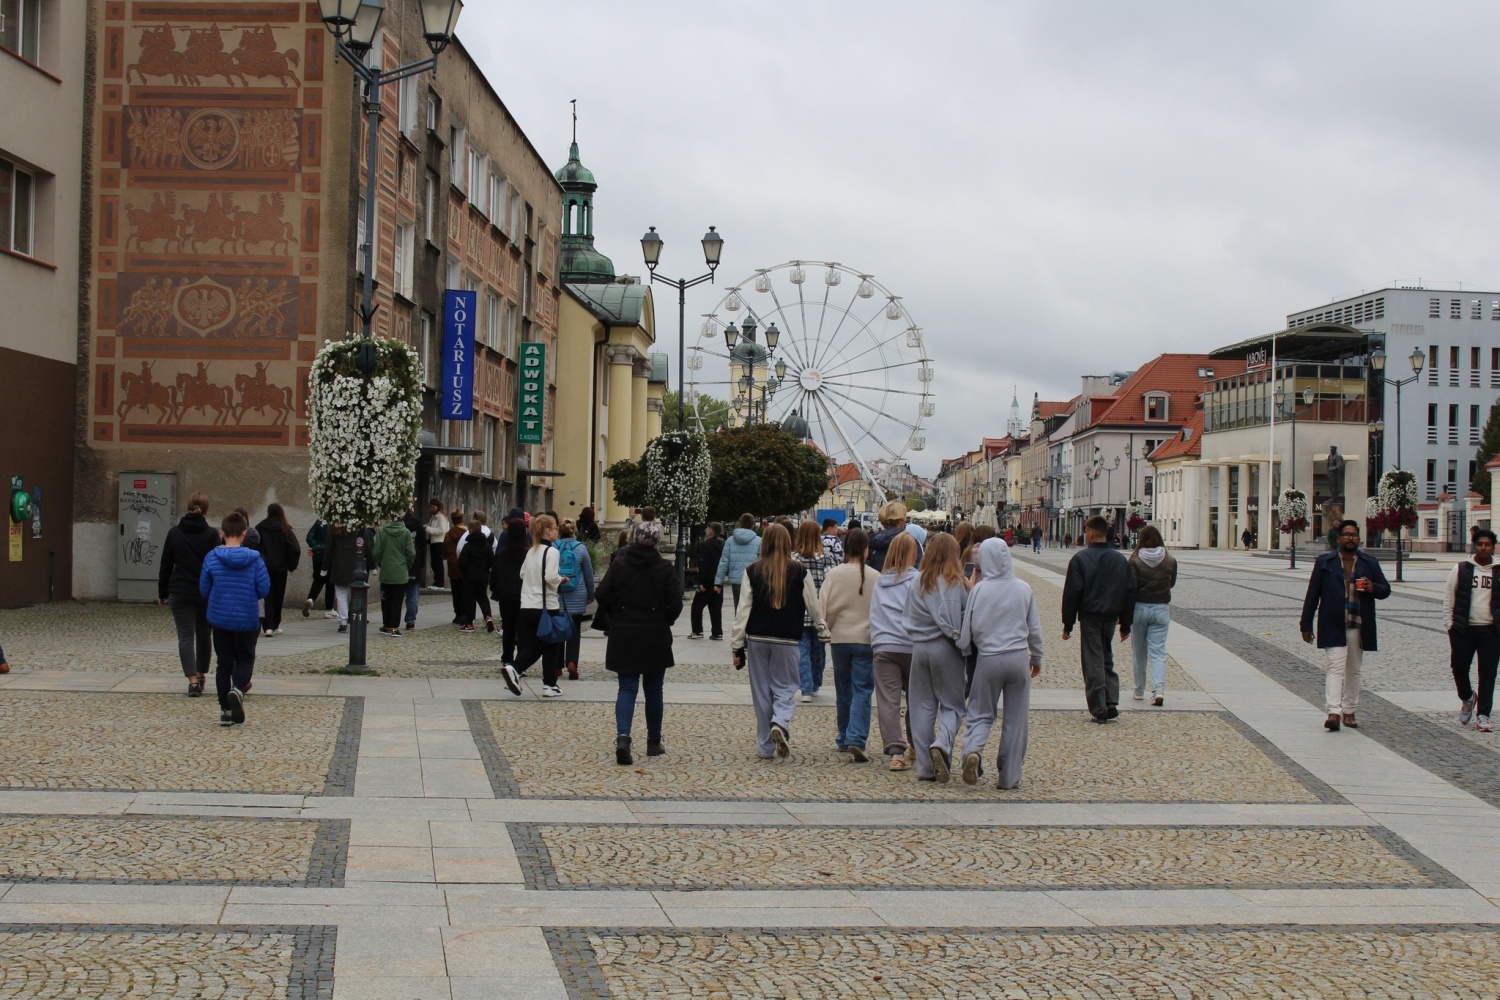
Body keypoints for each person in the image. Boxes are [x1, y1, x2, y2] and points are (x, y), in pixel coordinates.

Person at [730, 523, 828, 759]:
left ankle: (765, 746)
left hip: (758, 637)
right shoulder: (799, 571)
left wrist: (737, 643)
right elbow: (813, 603)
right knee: (786, 686)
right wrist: (820, 625)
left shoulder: (752, 571)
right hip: (787, 637)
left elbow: (743, 610)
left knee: (761, 692)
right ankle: (781, 720)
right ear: (789, 543)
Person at [596, 519, 682, 764]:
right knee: (654, 689)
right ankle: (653, 741)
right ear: (657, 541)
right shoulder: (664, 567)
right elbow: (675, 603)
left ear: (634, 538)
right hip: (655, 631)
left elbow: (601, 593)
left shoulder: (620, 564)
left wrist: (616, 613)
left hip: (624, 631)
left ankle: (623, 737)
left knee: (627, 687)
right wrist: (665, 619)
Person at [958, 538, 1042, 789]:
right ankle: (1009, 776)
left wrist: (964, 649)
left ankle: (973, 749)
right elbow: (1034, 629)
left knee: (981, 712)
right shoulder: (1024, 588)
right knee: (1016, 719)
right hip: (1018, 658)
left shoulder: (980, 590)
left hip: (988, 658)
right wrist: (1037, 657)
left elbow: (967, 629)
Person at [1300, 519, 1391, 732]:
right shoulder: (1325, 562)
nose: (1350, 538)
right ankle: (1334, 712)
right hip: (1333, 622)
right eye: (1346, 534)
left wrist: (1372, 587)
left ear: (1359, 538)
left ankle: (1349, 710)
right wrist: (1306, 624)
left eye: (1354, 535)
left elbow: (1385, 589)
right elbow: (1312, 595)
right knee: (1335, 666)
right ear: (1339, 538)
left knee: (1353, 669)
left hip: (1359, 624)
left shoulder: (1369, 563)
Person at [905, 532, 969, 783]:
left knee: (921, 706)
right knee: (952, 704)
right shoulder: (955, 583)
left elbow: (907, 614)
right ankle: (942, 743)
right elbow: (963, 620)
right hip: (946, 648)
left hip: (919, 648)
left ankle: (926, 768)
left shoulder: (917, 580)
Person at [199, 510, 270, 727]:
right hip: (246, 618)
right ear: (244, 532)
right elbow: (263, 589)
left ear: (222, 532)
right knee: (245, 658)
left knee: (224, 664)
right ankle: (238, 689)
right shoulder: (255, 559)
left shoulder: (212, 557)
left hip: (220, 618)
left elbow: (204, 589)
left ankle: (225, 711)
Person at [1061, 515, 1135, 724]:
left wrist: (1068, 624)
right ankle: (1110, 700)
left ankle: (1099, 707)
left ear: (1091, 533)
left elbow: (1072, 593)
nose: (1085, 535)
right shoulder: (1120, 560)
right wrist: (1126, 623)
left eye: (1086, 532)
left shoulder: (1080, 559)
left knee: (1093, 659)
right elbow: (1129, 591)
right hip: (1111, 616)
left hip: (1090, 615)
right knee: (1106, 656)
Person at [820, 527, 880, 761]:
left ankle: (844, 736)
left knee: (843, 690)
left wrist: (828, 626)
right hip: (866, 639)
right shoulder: (875, 576)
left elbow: (823, 605)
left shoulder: (834, 574)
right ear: (866, 549)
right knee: (862, 690)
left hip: (840, 639)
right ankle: (857, 737)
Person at [157, 491, 221, 696]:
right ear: (206, 510)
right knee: (204, 634)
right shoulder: (212, 535)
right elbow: (218, 566)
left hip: (180, 590)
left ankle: (192, 681)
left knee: (185, 636)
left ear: (187, 507)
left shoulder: (174, 533)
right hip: (205, 592)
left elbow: (166, 565)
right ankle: (201, 674)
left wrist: (162, 592)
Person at [870, 532, 920, 769]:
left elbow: (874, 612)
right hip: (912, 646)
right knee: (917, 699)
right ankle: (917, 744)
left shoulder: (879, 582)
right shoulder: (918, 580)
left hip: (884, 645)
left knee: (888, 701)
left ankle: (896, 752)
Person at [509, 514, 569, 698]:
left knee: (539, 644)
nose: (557, 531)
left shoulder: (531, 551)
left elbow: (522, 574)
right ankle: (516, 668)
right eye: (555, 528)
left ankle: (549, 683)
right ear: (548, 531)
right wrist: (562, 579)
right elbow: (550, 577)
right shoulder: (552, 552)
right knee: (548, 644)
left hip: (527, 605)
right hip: (545, 606)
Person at [1445, 527, 1499, 732]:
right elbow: (1449, 598)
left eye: (1488, 545)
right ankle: (1467, 697)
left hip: (1491, 631)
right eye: (1480, 544)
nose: (1483, 548)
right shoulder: (1461, 569)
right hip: (1463, 629)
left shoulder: (1498, 570)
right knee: (1458, 667)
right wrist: (1450, 625)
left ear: (1493, 547)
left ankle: (1483, 714)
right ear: (1474, 546)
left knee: (1488, 673)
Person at [1128, 525, 1177, 706]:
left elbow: (1131, 587)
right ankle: (1158, 690)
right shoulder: (1170, 560)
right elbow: (1171, 583)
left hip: (1139, 609)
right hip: (1161, 608)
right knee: (1158, 652)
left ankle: (1138, 690)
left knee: (1139, 653)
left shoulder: (1134, 560)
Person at [792, 520, 838, 702]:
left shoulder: (793, 559)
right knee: (818, 652)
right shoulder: (825, 559)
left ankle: (806, 688)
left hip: (798, 612)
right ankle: (816, 683)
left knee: (801, 651)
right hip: (819, 612)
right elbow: (831, 584)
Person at [556, 519, 596, 680]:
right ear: (575, 531)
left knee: (558, 630)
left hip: (557, 596)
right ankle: (572, 662)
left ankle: (556, 665)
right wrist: (591, 595)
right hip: (577, 595)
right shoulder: (581, 548)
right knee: (575, 631)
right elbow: (588, 575)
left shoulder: (553, 547)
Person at [253, 504, 297, 637]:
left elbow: (255, 545)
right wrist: (291, 564)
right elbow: (295, 548)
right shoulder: (285, 528)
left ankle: (268, 626)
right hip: (281, 568)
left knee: (267, 596)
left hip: (264, 567)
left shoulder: (260, 527)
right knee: (278, 596)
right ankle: (275, 624)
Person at [490, 509, 529, 658]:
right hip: (523, 595)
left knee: (508, 627)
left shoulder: (502, 554)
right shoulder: (527, 553)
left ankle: (507, 656)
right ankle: (521, 658)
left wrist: (495, 587)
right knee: (522, 628)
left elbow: (495, 573)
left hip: (506, 595)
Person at [372, 515, 415, 637]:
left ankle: (386, 625)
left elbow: (376, 552)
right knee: (397, 601)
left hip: (386, 570)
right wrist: (407, 565)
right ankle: (394, 627)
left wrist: (381, 563)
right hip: (400, 571)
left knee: (385, 600)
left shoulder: (382, 532)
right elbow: (411, 553)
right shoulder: (406, 532)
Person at [715, 513, 762, 611]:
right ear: (753, 525)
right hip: (754, 579)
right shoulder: (759, 541)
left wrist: (718, 583)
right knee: (754, 609)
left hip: (737, 580)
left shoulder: (730, 541)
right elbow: (762, 562)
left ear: (740, 524)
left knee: (739, 609)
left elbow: (724, 562)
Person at [456, 513, 494, 633]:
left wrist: (464, 572)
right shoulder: (486, 545)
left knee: (470, 599)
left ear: (471, 530)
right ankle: (488, 617)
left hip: (469, 577)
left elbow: (462, 562)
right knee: (483, 597)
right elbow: (491, 561)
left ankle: (469, 623)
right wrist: (486, 570)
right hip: (483, 576)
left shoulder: (468, 546)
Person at [689, 522, 725, 640]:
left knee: (697, 606)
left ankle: (697, 630)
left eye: (707, 529)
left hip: (707, 580)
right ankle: (717, 632)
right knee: (715, 607)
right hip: (718, 580)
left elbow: (704, 564)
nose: (705, 530)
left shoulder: (706, 545)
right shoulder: (722, 544)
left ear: (710, 531)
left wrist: (700, 582)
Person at [868, 500, 922, 572]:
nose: (905, 520)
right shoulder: (911, 542)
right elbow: (918, 567)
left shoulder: (872, 541)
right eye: (904, 517)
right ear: (900, 520)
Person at [303, 518, 334, 617]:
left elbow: (309, 536)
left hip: (318, 557)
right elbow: (331, 544)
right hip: (330, 558)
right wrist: (318, 548)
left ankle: (310, 599)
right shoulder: (335, 523)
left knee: (317, 580)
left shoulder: (319, 521)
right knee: (330, 584)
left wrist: (315, 547)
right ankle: (329, 609)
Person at [443, 510, 466, 623]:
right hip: (464, 565)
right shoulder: (466, 534)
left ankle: (458, 614)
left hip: (452, 565)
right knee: (465, 591)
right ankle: (464, 614)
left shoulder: (448, 534)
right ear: (463, 519)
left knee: (455, 591)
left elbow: (444, 550)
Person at [401, 510, 423, 630]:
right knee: (413, 593)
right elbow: (422, 546)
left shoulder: (401, 527)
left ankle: (392, 620)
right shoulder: (419, 526)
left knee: (397, 594)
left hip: (400, 562)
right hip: (415, 562)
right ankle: (410, 620)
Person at [424, 500, 450, 590]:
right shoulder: (433, 517)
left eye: (433, 507)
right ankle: (436, 582)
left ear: (438, 507)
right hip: (434, 542)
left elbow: (442, 530)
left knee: (438, 563)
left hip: (439, 542)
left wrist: (428, 529)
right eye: (431, 507)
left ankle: (440, 583)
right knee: (434, 563)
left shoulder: (441, 517)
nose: (432, 509)